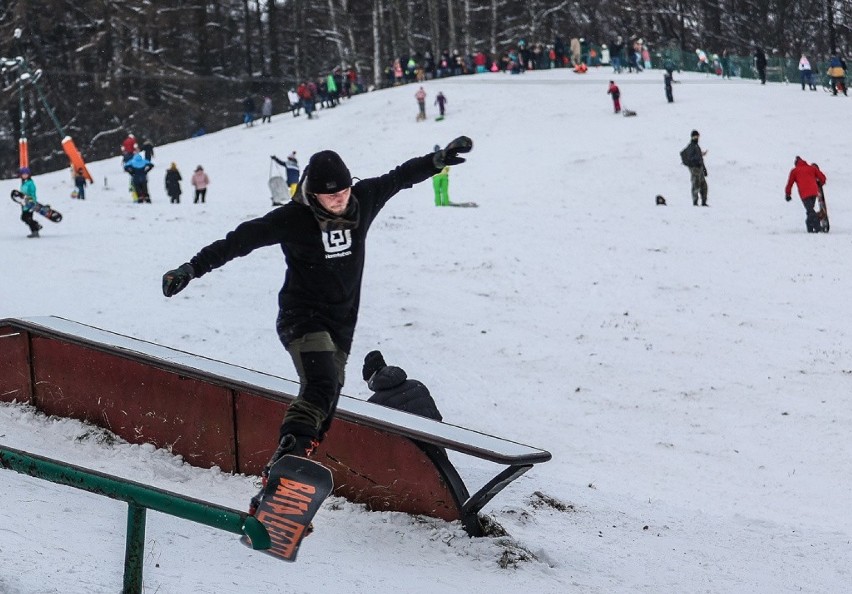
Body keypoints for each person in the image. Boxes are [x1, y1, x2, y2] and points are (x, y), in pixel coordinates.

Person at [161, 136, 474, 489]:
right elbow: (238, 242)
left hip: (340, 325)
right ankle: (288, 457)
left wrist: (436, 161)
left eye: (343, 192)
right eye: (331, 196)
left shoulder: (363, 198)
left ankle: (282, 477)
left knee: (326, 400)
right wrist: (191, 268)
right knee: (321, 383)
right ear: (312, 194)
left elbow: (400, 176)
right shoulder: (294, 219)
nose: (340, 200)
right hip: (300, 318)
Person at [362, 350, 442, 421]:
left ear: (372, 380)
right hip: (434, 436)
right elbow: (437, 417)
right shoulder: (417, 385)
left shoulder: (376, 402)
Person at [785, 156, 827, 233]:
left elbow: (790, 183)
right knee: (810, 210)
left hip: (804, 194)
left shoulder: (794, 171)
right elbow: (823, 177)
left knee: (810, 211)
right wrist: (821, 183)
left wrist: (788, 194)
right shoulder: (812, 168)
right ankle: (809, 227)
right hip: (814, 192)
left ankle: (818, 228)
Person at [680, 130, 708, 206]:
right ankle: (695, 202)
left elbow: (700, 158)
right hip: (695, 169)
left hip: (700, 168)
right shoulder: (691, 146)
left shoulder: (696, 146)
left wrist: (704, 169)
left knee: (704, 186)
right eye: (695, 136)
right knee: (696, 185)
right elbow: (692, 157)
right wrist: (694, 163)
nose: (697, 137)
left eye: (698, 136)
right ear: (692, 137)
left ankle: (704, 202)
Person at [17, 167, 42, 238]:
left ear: (29, 174)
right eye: (23, 174)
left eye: (26, 174)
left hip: (30, 202)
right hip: (24, 203)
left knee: (27, 217)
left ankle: (35, 229)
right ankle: (35, 227)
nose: (24, 175)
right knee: (24, 218)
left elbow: (32, 193)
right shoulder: (24, 183)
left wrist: (31, 202)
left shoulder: (30, 183)